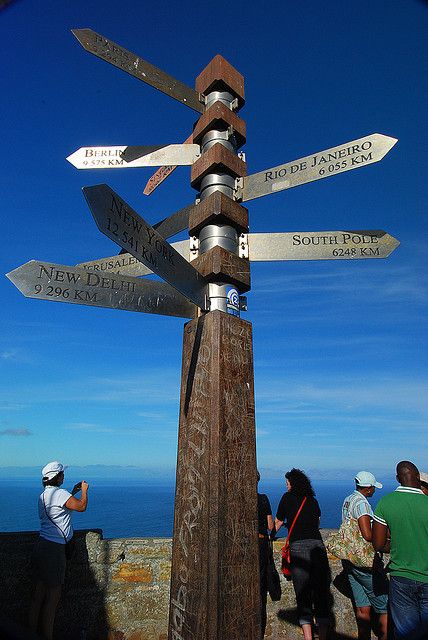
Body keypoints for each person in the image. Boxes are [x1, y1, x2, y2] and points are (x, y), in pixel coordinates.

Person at [29, 461, 89, 640]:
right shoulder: (60, 494)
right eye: (62, 473)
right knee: (53, 599)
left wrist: (73, 492)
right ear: (58, 477)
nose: (64, 476)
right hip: (54, 551)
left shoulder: (44, 495)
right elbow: (81, 507)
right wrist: (84, 491)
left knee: (38, 596)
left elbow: (59, 509)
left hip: (42, 546)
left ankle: (29, 634)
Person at [373, 461, 428, 640]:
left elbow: (378, 544)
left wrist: (398, 544)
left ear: (397, 479)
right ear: (419, 479)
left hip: (401, 576)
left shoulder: (385, 503)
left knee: (406, 633)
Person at [274, 468, 331, 640]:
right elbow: (317, 520)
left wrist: (270, 535)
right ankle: (323, 635)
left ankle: (308, 637)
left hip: (298, 547)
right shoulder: (312, 500)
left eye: (287, 483)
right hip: (317, 546)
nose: (286, 486)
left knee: (303, 593)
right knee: (321, 593)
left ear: (292, 483)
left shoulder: (286, 498)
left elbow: (278, 522)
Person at [341, 471, 388, 640]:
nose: (374, 491)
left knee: (362, 608)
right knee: (384, 606)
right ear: (367, 488)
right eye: (373, 488)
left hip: (349, 559)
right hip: (363, 561)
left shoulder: (348, 500)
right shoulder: (362, 504)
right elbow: (368, 534)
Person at [257, 470, 274, 639]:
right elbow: (270, 525)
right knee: (260, 587)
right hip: (261, 542)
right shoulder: (263, 499)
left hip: (243, 544)